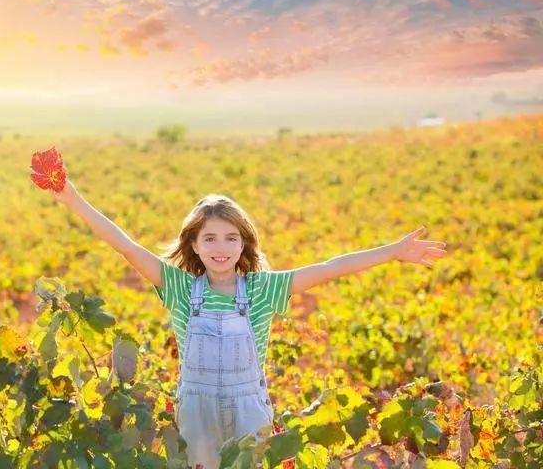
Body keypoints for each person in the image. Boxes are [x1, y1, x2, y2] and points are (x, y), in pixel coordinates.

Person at [47, 179, 447, 469]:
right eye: (210, 239)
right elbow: (125, 245)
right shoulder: (179, 288)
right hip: (197, 414)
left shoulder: (263, 289)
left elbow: (331, 267)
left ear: (244, 245)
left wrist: (393, 252)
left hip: (248, 412)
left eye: (230, 238)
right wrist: (72, 198)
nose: (220, 248)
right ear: (194, 245)